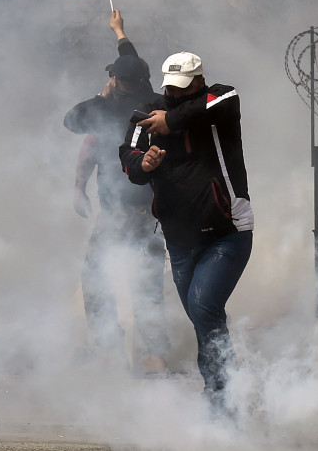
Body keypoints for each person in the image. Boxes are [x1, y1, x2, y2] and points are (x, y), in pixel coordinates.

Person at [120, 52, 253, 411]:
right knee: (203, 315)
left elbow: (224, 100)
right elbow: (128, 156)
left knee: (202, 304)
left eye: (183, 88)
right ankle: (223, 386)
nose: (175, 95)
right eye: (170, 89)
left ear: (198, 82)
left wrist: (172, 121)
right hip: (179, 239)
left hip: (228, 230)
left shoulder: (218, 101)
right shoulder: (147, 113)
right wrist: (142, 163)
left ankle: (223, 393)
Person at [64, 10, 170, 374]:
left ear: (117, 82)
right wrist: (120, 32)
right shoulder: (159, 104)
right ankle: (154, 353)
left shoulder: (107, 109)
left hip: (120, 212)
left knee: (95, 278)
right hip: (156, 211)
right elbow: (133, 66)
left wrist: (102, 96)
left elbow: (71, 121)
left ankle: (110, 347)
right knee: (148, 279)